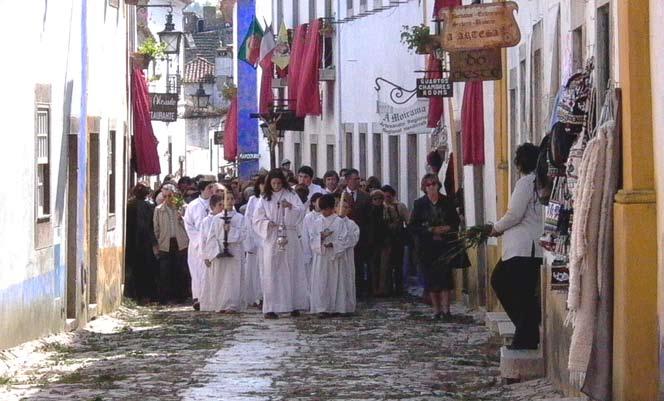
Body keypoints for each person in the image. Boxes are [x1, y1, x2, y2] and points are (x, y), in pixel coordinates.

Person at [489, 143, 543, 350]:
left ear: (520, 164)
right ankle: (526, 332)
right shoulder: (539, 182)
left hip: (523, 248)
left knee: (504, 283)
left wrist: (496, 228)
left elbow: (514, 214)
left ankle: (526, 333)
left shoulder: (525, 183)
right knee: (522, 292)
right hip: (529, 247)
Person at [252, 169, 309, 319]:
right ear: (269, 184)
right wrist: (267, 223)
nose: (276, 185)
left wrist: (289, 207)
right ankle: (271, 307)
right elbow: (257, 218)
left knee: (292, 268)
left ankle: (293, 304)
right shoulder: (264, 198)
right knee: (272, 270)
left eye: (278, 183)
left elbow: (301, 211)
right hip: (272, 235)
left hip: (289, 234)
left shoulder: (291, 194)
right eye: (273, 183)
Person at [409, 173, 461, 320]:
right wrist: (430, 230)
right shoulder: (419, 204)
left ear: (438, 185)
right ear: (424, 188)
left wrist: (447, 228)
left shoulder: (447, 201)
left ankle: (446, 310)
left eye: (434, 184)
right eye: (428, 185)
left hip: (445, 245)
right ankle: (436, 310)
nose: (432, 187)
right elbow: (413, 226)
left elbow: (455, 222)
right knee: (431, 279)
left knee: (445, 278)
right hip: (427, 247)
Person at [308, 194, 359, 317]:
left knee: (337, 282)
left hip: (336, 257)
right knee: (322, 282)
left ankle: (338, 307)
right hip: (322, 256)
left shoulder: (339, 222)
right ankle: (322, 307)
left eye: (326, 209)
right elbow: (312, 238)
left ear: (332, 208)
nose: (324, 212)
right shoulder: (317, 222)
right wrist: (320, 238)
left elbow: (344, 238)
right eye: (322, 209)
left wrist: (334, 244)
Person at [201, 192, 247, 313]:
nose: (230, 201)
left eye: (232, 199)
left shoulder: (240, 218)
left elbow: (243, 234)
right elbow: (211, 236)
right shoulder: (216, 219)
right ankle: (221, 303)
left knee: (233, 278)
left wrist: (230, 231)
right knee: (220, 278)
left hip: (235, 250)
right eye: (227, 199)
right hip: (219, 250)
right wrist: (211, 253)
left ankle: (232, 304)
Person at [183, 181, 223, 310]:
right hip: (197, 245)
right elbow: (188, 225)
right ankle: (198, 298)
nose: (212, 190)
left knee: (213, 271)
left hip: (214, 242)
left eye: (213, 187)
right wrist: (198, 240)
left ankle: (213, 298)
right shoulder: (193, 205)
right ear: (202, 190)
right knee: (198, 271)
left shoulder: (217, 202)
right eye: (209, 188)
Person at [153, 184, 190, 304]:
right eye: (166, 196)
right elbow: (156, 228)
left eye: (171, 195)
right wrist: (159, 241)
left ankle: (181, 296)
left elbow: (189, 226)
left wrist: (181, 219)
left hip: (181, 242)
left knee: (181, 270)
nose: (168, 198)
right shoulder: (159, 210)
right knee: (165, 271)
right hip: (166, 243)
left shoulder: (183, 208)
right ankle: (165, 298)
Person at [124, 182, 158, 303]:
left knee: (135, 269)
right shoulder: (150, 206)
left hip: (133, 243)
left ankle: (135, 295)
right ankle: (145, 296)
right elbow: (153, 226)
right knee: (146, 270)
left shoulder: (129, 205)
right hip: (145, 243)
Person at [366, 189, 400, 296]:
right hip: (372, 242)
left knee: (385, 266)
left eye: (380, 198)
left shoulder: (388, 209)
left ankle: (384, 289)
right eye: (375, 199)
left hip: (385, 241)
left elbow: (396, 222)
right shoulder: (369, 210)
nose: (377, 201)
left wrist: (389, 227)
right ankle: (374, 289)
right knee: (373, 266)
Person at [343, 168, 371, 296]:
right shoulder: (341, 194)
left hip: (361, 235)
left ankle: (359, 290)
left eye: (358, 179)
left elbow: (369, 216)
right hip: (344, 233)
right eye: (355, 179)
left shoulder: (365, 196)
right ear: (348, 180)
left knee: (359, 263)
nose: (357, 181)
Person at [382, 185, 410, 295]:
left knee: (398, 264)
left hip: (398, 238)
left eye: (388, 197)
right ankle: (387, 288)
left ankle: (399, 288)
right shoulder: (381, 207)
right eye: (384, 197)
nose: (386, 199)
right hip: (385, 238)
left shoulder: (400, 206)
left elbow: (408, 220)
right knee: (386, 265)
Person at [243, 175, 266, 307]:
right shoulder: (253, 200)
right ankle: (257, 296)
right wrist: (253, 237)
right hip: (255, 238)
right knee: (255, 270)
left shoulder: (271, 199)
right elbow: (249, 219)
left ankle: (265, 295)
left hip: (267, 237)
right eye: (261, 184)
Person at [301, 192, 324, 291]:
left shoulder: (325, 216)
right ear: (314, 203)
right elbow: (305, 236)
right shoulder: (308, 217)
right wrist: (307, 254)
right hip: (311, 250)